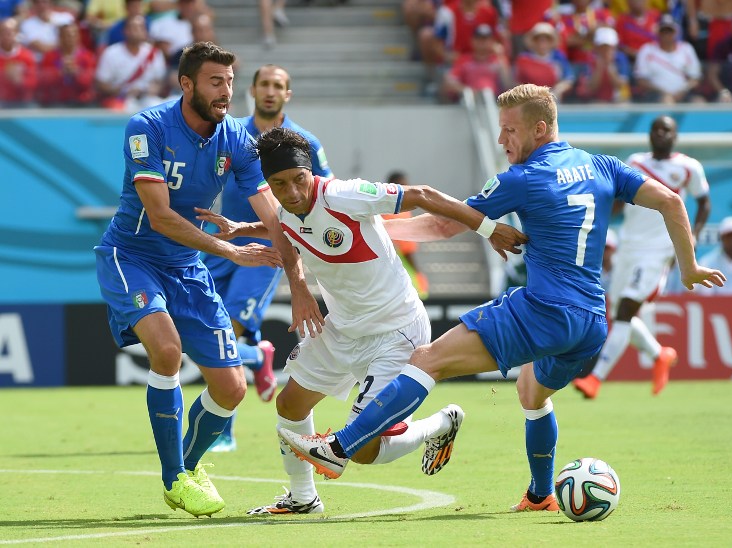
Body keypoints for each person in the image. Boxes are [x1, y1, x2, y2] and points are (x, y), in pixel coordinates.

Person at [277, 84, 726, 514]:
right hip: (590, 322)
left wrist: (363, 227)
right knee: (532, 394)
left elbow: (441, 225)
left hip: (542, 309)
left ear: (540, 129)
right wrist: (687, 267)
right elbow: (670, 200)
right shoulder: (602, 165)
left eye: (509, 129)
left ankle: (340, 447)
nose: (501, 138)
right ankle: (539, 494)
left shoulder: (523, 178)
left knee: (427, 359)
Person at [195, 126, 527, 515]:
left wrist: (486, 228)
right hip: (341, 328)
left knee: (366, 450)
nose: (293, 192)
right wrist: (240, 229)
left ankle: (439, 424)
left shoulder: (342, 194)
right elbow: (284, 225)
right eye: (279, 184)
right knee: (289, 404)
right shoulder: (285, 210)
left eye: (299, 180)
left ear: (311, 173)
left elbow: (421, 195)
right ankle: (303, 498)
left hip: (396, 329)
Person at [94, 42, 322, 518]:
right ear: (187, 84)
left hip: (187, 266)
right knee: (168, 350)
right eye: (216, 82)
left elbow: (274, 217)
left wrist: (299, 282)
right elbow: (160, 217)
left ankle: (191, 465)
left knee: (232, 388)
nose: (226, 92)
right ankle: (174, 477)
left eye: (230, 83)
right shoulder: (148, 127)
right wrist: (232, 250)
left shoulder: (237, 139)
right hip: (132, 256)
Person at [206, 64, 335, 453]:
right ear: (253, 90)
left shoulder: (303, 141)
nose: (269, 91)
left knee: (222, 336)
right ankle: (258, 355)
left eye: (278, 86)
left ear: (287, 94)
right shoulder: (229, 132)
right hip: (223, 239)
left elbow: (326, 190)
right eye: (264, 84)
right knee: (205, 328)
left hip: (270, 247)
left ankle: (222, 430)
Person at [573, 115, 711, 399]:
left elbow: (704, 202)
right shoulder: (635, 162)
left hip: (658, 250)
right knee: (617, 314)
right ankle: (660, 354)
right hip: (628, 246)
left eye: (667, 130)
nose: (661, 134)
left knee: (625, 311)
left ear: (675, 135)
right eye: (656, 129)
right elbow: (621, 202)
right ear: (649, 135)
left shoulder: (688, 167)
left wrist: (691, 235)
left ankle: (595, 379)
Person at [381, 171, 429, 298]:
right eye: (403, 185)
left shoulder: (383, 209)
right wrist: (417, 272)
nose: (407, 189)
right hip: (402, 266)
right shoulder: (397, 213)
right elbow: (406, 249)